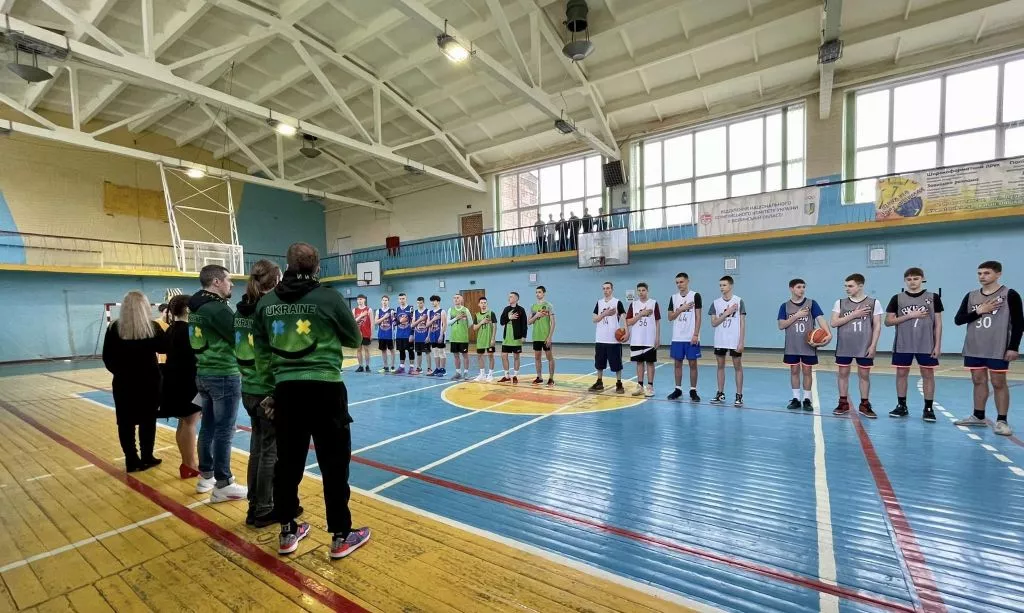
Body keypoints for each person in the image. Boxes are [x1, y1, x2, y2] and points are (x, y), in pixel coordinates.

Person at [252, 242, 370, 560]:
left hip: (286, 392)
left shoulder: (267, 303)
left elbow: (261, 352)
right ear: (317, 267)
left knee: (287, 464)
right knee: (334, 465)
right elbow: (354, 338)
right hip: (326, 390)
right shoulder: (329, 297)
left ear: (286, 267)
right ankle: (341, 536)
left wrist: (271, 390)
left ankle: (287, 531)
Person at [189, 265, 246, 502]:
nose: (231, 284)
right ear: (216, 282)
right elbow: (238, 339)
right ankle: (224, 483)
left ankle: (207, 476)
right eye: (228, 280)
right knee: (224, 429)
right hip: (223, 373)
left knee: (209, 427)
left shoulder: (196, 307)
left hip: (203, 372)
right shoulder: (217, 308)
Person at [234, 259, 284, 528]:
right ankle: (264, 508)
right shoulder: (269, 311)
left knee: (257, 449)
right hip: (266, 389)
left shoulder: (240, 311)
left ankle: (254, 505)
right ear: (276, 280)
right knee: (270, 452)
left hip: (248, 388)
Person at [953, 260, 1023, 436]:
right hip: (974, 346)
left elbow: (1019, 323)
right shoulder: (971, 296)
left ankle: (1002, 421)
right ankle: (978, 416)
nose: (982, 276)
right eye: (979, 273)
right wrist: (979, 311)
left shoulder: (1010, 294)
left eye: (986, 273)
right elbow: (958, 320)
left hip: (998, 347)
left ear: (998, 274)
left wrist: (1013, 347)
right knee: (978, 380)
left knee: (998, 382)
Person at [103, 290, 164, 473]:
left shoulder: (114, 328)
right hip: (149, 381)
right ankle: (147, 456)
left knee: (125, 422)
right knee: (148, 420)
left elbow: (107, 357)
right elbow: (165, 347)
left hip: (124, 382)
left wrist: (120, 372)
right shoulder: (152, 327)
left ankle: (131, 459)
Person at [885, 268, 943, 421]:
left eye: (916, 278)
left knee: (928, 374)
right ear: (905, 281)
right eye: (909, 279)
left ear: (922, 279)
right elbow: (888, 321)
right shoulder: (897, 298)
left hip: (926, 343)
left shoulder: (933, 297)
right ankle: (901, 406)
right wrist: (910, 315)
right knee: (901, 374)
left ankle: (928, 408)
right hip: (903, 343)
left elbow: (938, 324)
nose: (912, 282)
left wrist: (937, 345)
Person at [159, 294, 202, 479]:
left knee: (183, 422)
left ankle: (187, 463)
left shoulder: (171, 329)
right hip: (188, 381)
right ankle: (190, 464)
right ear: (188, 309)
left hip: (174, 379)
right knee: (190, 422)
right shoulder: (188, 331)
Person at [831, 273, 883, 418]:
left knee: (864, 375)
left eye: (850, 286)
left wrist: (873, 345)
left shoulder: (874, 303)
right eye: (845, 286)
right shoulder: (840, 303)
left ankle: (864, 404)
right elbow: (834, 323)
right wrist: (854, 314)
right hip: (844, 345)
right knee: (843, 374)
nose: (847, 289)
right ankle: (843, 403)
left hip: (864, 345)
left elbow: (877, 326)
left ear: (860, 286)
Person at [778, 279, 830, 411]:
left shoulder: (812, 303)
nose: (802, 289)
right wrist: (797, 315)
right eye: (799, 287)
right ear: (791, 289)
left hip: (808, 345)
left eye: (803, 287)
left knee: (807, 371)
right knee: (794, 371)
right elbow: (781, 325)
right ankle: (796, 399)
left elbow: (820, 319)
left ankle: (807, 399)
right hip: (792, 345)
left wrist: (828, 334)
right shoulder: (785, 306)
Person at [709, 276, 745, 407]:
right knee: (720, 366)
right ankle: (720, 393)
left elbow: (742, 323)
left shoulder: (739, 301)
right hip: (720, 339)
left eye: (724, 285)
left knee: (737, 367)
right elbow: (714, 323)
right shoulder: (715, 303)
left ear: (731, 286)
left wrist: (741, 341)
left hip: (734, 339)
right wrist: (727, 313)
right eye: (720, 285)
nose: (721, 287)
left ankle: (739, 395)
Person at [667, 272, 702, 402]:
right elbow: (670, 317)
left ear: (687, 281)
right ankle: (678, 389)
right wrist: (681, 309)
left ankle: (693, 390)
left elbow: (698, 317)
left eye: (681, 282)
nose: (679, 284)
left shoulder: (695, 296)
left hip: (691, 336)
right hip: (677, 337)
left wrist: (696, 334)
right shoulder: (673, 298)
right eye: (677, 282)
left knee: (693, 364)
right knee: (677, 364)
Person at [589, 282, 626, 394]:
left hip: (613, 340)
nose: (606, 290)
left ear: (612, 289)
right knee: (599, 363)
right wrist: (605, 314)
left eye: (608, 288)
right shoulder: (599, 303)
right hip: (600, 338)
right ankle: (599, 382)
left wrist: (626, 332)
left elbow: (624, 318)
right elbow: (594, 319)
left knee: (616, 364)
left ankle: (619, 383)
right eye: (604, 288)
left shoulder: (617, 302)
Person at [625, 282, 661, 398]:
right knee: (639, 363)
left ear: (647, 291)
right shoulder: (633, 304)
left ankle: (650, 387)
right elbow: (629, 322)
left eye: (643, 290)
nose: (641, 293)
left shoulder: (653, 303)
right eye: (639, 291)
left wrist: (657, 337)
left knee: (650, 362)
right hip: (636, 339)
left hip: (649, 338)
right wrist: (641, 314)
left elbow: (657, 322)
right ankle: (640, 386)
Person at [498, 292, 528, 384]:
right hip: (507, 338)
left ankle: (515, 376)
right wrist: (509, 317)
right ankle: (506, 376)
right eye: (509, 297)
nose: (509, 298)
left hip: (516, 338)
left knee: (516, 357)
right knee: (504, 356)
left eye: (511, 297)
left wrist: (524, 336)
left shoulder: (521, 310)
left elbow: (524, 324)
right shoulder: (506, 309)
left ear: (516, 299)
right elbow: (502, 322)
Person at [528, 286, 556, 386]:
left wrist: (549, 337)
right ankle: (539, 377)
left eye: (539, 292)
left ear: (544, 293)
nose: (537, 294)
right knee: (537, 357)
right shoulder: (533, 306)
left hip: (545, 336)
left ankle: (551, 378)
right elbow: (529, 322)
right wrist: (536, 316)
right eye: (536, 292)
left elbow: (553, 323)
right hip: (536, 336)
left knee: (549, 357)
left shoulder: (549, 306)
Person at [447, 294, 472, 379]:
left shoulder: (465, 310)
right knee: (456, 356)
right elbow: (448, 323)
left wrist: (463, 328)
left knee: (465, 355)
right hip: (454, 337)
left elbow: (470, 323)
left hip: (463, 337)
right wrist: (456, 318)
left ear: (461, 299)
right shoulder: (450, 310)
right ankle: (458, 372)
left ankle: (466, 373)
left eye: (458, 298)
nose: (456, 299)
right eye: (454, 298)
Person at [473, 297, 497, 381]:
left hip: (489, 339)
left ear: (487, 304)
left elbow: (495, 326)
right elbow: (474, 328)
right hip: (480, 339)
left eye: (485, 303)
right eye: (481, 303)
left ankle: (490, 374)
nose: (483, 304)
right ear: (479, 304)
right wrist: (481, 322)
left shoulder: (491, 313)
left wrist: (493, 338)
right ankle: (482, 374)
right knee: (479, 356)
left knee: (490, 356)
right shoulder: (477, 315)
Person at [393, 293, 414, 373]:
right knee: (401, 351)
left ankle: (411, 367)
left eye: (403, 298)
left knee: (410, 351)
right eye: (400, 299)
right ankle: (402, 367)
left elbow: (413, 322)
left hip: (408, 334)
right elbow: (394, 323)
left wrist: (412, 334)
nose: (402, 300)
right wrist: (400, 321)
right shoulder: (397, 309)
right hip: (399, 334)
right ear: (398, 300)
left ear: (406, 299)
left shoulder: (410, 308)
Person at [427, 295, 447, 377]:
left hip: (439, 334)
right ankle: (437, 368)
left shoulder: (442, 311)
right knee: (435, 352)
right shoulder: (430, 312)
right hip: (432, 334)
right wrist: (428, 336)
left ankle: (443, 369)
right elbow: (428, 325)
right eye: (431, 301)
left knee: (441, 352)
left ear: (438, 302)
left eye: (434, 301)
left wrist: (441, 335)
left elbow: (444, 325)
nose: (432, 302)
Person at [352, 294, 373, 373]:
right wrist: (361, 316)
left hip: (366, 333)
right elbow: (353, 322)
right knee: (358, 350)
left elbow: (372, 322)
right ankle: (360, 366)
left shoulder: (369, 309)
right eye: (358, 299)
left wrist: (371, 333)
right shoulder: (354, 310)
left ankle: (367, 366)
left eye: (361, 299)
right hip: (357, 333)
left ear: (364, 300)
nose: (359, 301)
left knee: (366, 349)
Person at [375, 296, 395, 373]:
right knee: (383, 350)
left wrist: (393, 317)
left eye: (386, 300)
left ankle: (392, 366)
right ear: (381, 301)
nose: (384, 302)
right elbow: (376, 322)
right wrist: (384, 317)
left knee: (392, 350)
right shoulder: (378, 311)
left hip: (390, 335)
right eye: (383, 300)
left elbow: (395, 322)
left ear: (388, 301)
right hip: (381, 334)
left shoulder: (392, 311)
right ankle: (385, 366)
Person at [412, 297, 430, 375]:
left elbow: (430, 325)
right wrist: (420, 319)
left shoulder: (428, 311)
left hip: (425, 336)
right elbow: (412, 325)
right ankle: (419, 368)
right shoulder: (415, 312)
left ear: (423, 303)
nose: (419, 304)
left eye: (421, 303)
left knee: (427, 352)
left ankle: (429, 368)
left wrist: (428, 336)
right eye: (418, 303)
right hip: (417, 336)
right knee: (418, 353)